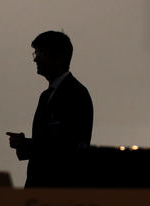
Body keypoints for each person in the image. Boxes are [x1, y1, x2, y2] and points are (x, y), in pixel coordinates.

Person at [7, 30, 93, 187]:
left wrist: (26, 145)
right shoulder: (47, 95)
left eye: (40, 54)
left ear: (58, 57)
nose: (35, 60)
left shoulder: (75, 94)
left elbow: (67, 147)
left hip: (59, 187)